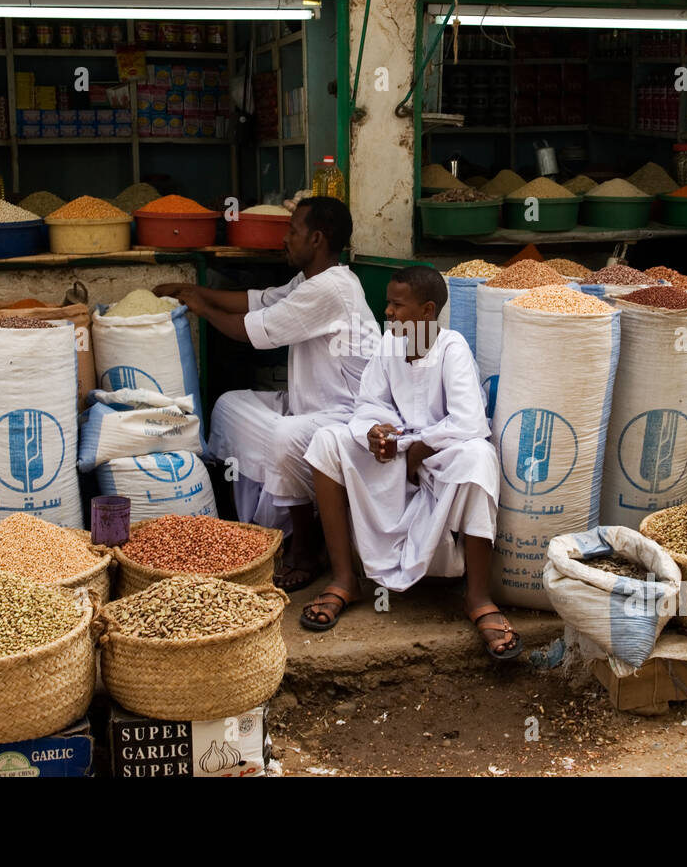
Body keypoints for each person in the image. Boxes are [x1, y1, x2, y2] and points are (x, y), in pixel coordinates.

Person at [154, 196, 379, 591]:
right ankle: (260, 528)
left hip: (349, 419)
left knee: (283, 437)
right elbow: (257, 301)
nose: (285, 239)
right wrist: (196, 291)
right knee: (228, 406)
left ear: (317, 239)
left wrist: (201, 309)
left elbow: (255, 331)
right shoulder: (309, 280)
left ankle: (304, 546)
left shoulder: (331, 289)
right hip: (309, 407)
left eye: (293, 231)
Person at [300, 266, 518, 661]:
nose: (388, 312)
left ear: (427, 310)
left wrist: (422, 447)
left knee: (479, 458)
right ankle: (345, 579)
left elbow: (468, 420)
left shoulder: (451, 348)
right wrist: (375, 432)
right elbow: (368, 405)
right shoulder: (389, 345)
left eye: (397, 305)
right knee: (327, 442)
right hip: (395, 452)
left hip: (439, 454)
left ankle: (478, 598)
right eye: (388, 303)